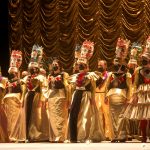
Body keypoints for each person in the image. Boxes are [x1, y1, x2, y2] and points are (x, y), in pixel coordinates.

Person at [68, 40, 105, 143]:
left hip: (86, 96)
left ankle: (85, 135)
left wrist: (93, 99)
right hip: (77, 94)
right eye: (80, 66)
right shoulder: (75, 76)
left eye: (83, 66)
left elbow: (93, 88)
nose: (80, 67)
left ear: (87, 67)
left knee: (85, 115)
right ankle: (73, 136)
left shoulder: (90, 75)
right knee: (74, 114)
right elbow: (72, 87)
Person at [123, 36, 150, 142]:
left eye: (146, 59)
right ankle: (143, 136)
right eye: (143, 59)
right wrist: (134, 96)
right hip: (142, 93)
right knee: (143, 115)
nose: (144, 61)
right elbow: (135, 84)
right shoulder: (139, 70)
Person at [105, 38, 132, 142]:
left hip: (122, 96)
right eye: (115, 59)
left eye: (118, 60)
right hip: (112, 96)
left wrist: (129, 98)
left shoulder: (126, 75)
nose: (116, 61)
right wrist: (105, 97)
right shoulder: (111, 74)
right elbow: (107, 86)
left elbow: (130, 87)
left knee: (121, 116)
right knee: (112, 116)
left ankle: (121, 136)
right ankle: (114, 136)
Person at [23, 44, 49, 142]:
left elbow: (44, 88)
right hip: (28, 96)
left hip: (37, 96)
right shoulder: (27, 77)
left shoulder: (41, 77)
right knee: (28, 115)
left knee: (37, 116)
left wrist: (43, 99)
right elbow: (25, 88)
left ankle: (36, 135)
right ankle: (27, 134)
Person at [2, 50, 26, 142]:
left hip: (16, 100)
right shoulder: (7, 81)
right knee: (9, 120)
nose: (12, 74)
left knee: (16, 119)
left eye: (14, 73)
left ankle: (16, 136)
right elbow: (5, 92)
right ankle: (10, 136)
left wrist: (21, 100)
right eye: (11, 72)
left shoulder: (20, 82)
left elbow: (23, 92)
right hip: (8, 101)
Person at [45, 58, 70, 142]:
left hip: (61, 96)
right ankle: (53, 136)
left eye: (56, 64)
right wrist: (46, 99)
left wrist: (68, 99)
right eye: (53, 64)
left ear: (60, 66)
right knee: (52, 117)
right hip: (51, 97)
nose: (54, 66)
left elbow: (67, 87)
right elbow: (47, 87)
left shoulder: (64, 74)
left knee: (60, 117)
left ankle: (60, 136)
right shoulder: (49, 75)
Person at [95, 59, 113, 140]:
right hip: (96, 95)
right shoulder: (95, 75)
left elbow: (109, 86)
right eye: (98, 66)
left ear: (105, 66)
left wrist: (107, 96)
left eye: (101, 66)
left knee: (107, 115)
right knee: (98, 116)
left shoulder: (109, 75)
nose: (99, 67)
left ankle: (108, 135)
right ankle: (100, 135)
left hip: (105, 96)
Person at [0, 67, 9, 143]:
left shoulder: (3, 80)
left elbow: (4, 91)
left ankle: (4, 137)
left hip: (1, 103)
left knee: (3, 120)